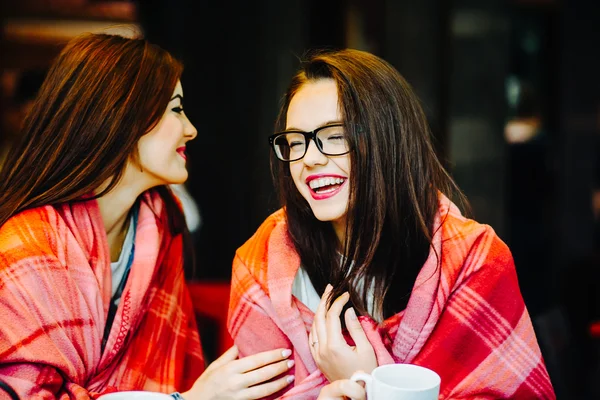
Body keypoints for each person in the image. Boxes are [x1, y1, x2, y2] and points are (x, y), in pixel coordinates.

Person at [227, 48, 556, 399]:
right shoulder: (260, 266)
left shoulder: (474, 263)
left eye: (334, 136)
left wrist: (366, 381)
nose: (309, 158)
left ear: (388, 139)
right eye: (295, 142)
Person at [0, 33, 294, 399]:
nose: (191, 129)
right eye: (176, 109)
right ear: (122, 115)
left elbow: (174, 371)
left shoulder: (159, 225)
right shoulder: (26, 250)